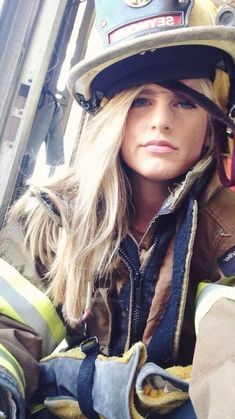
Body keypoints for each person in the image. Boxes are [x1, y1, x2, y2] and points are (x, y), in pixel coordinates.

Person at [0, 0, 235, 417]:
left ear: (211, 125)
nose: (161, 120)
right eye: (141, 100)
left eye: (185, 102)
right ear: (112, 115)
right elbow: (8, 331)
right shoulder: (50, 221)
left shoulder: (228, 231)